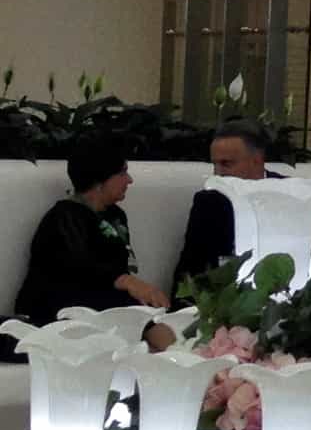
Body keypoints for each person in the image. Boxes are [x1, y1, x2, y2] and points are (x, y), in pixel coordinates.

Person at [13, 145, 169, 328]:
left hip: (102, 305)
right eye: (122, 173)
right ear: (98, 181)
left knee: (146, 312)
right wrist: (127, 282)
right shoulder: (64, 217)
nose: (130, 180)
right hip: (56, 311)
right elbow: (81, 270)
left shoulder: (115, 215)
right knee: (132, 314)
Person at [172, 118, 275, 286]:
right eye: (215, 164)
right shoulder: (208, 202)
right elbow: (191, 266)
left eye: (226, 164)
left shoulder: (288, 193)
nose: (218, 173)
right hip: (225, 295)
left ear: (256, 161)